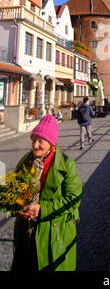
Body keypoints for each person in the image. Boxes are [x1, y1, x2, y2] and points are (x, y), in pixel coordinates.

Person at [11, 115, 82, 272]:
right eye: (33, 140)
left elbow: (73, 200)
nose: (35, 145)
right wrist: (17, 203)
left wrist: (41, 209)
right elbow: (15, 188)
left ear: (51, 143)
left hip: (56, 233)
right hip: (28, 233)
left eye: (40, 141)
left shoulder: (66, 165)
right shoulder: (26, 161)